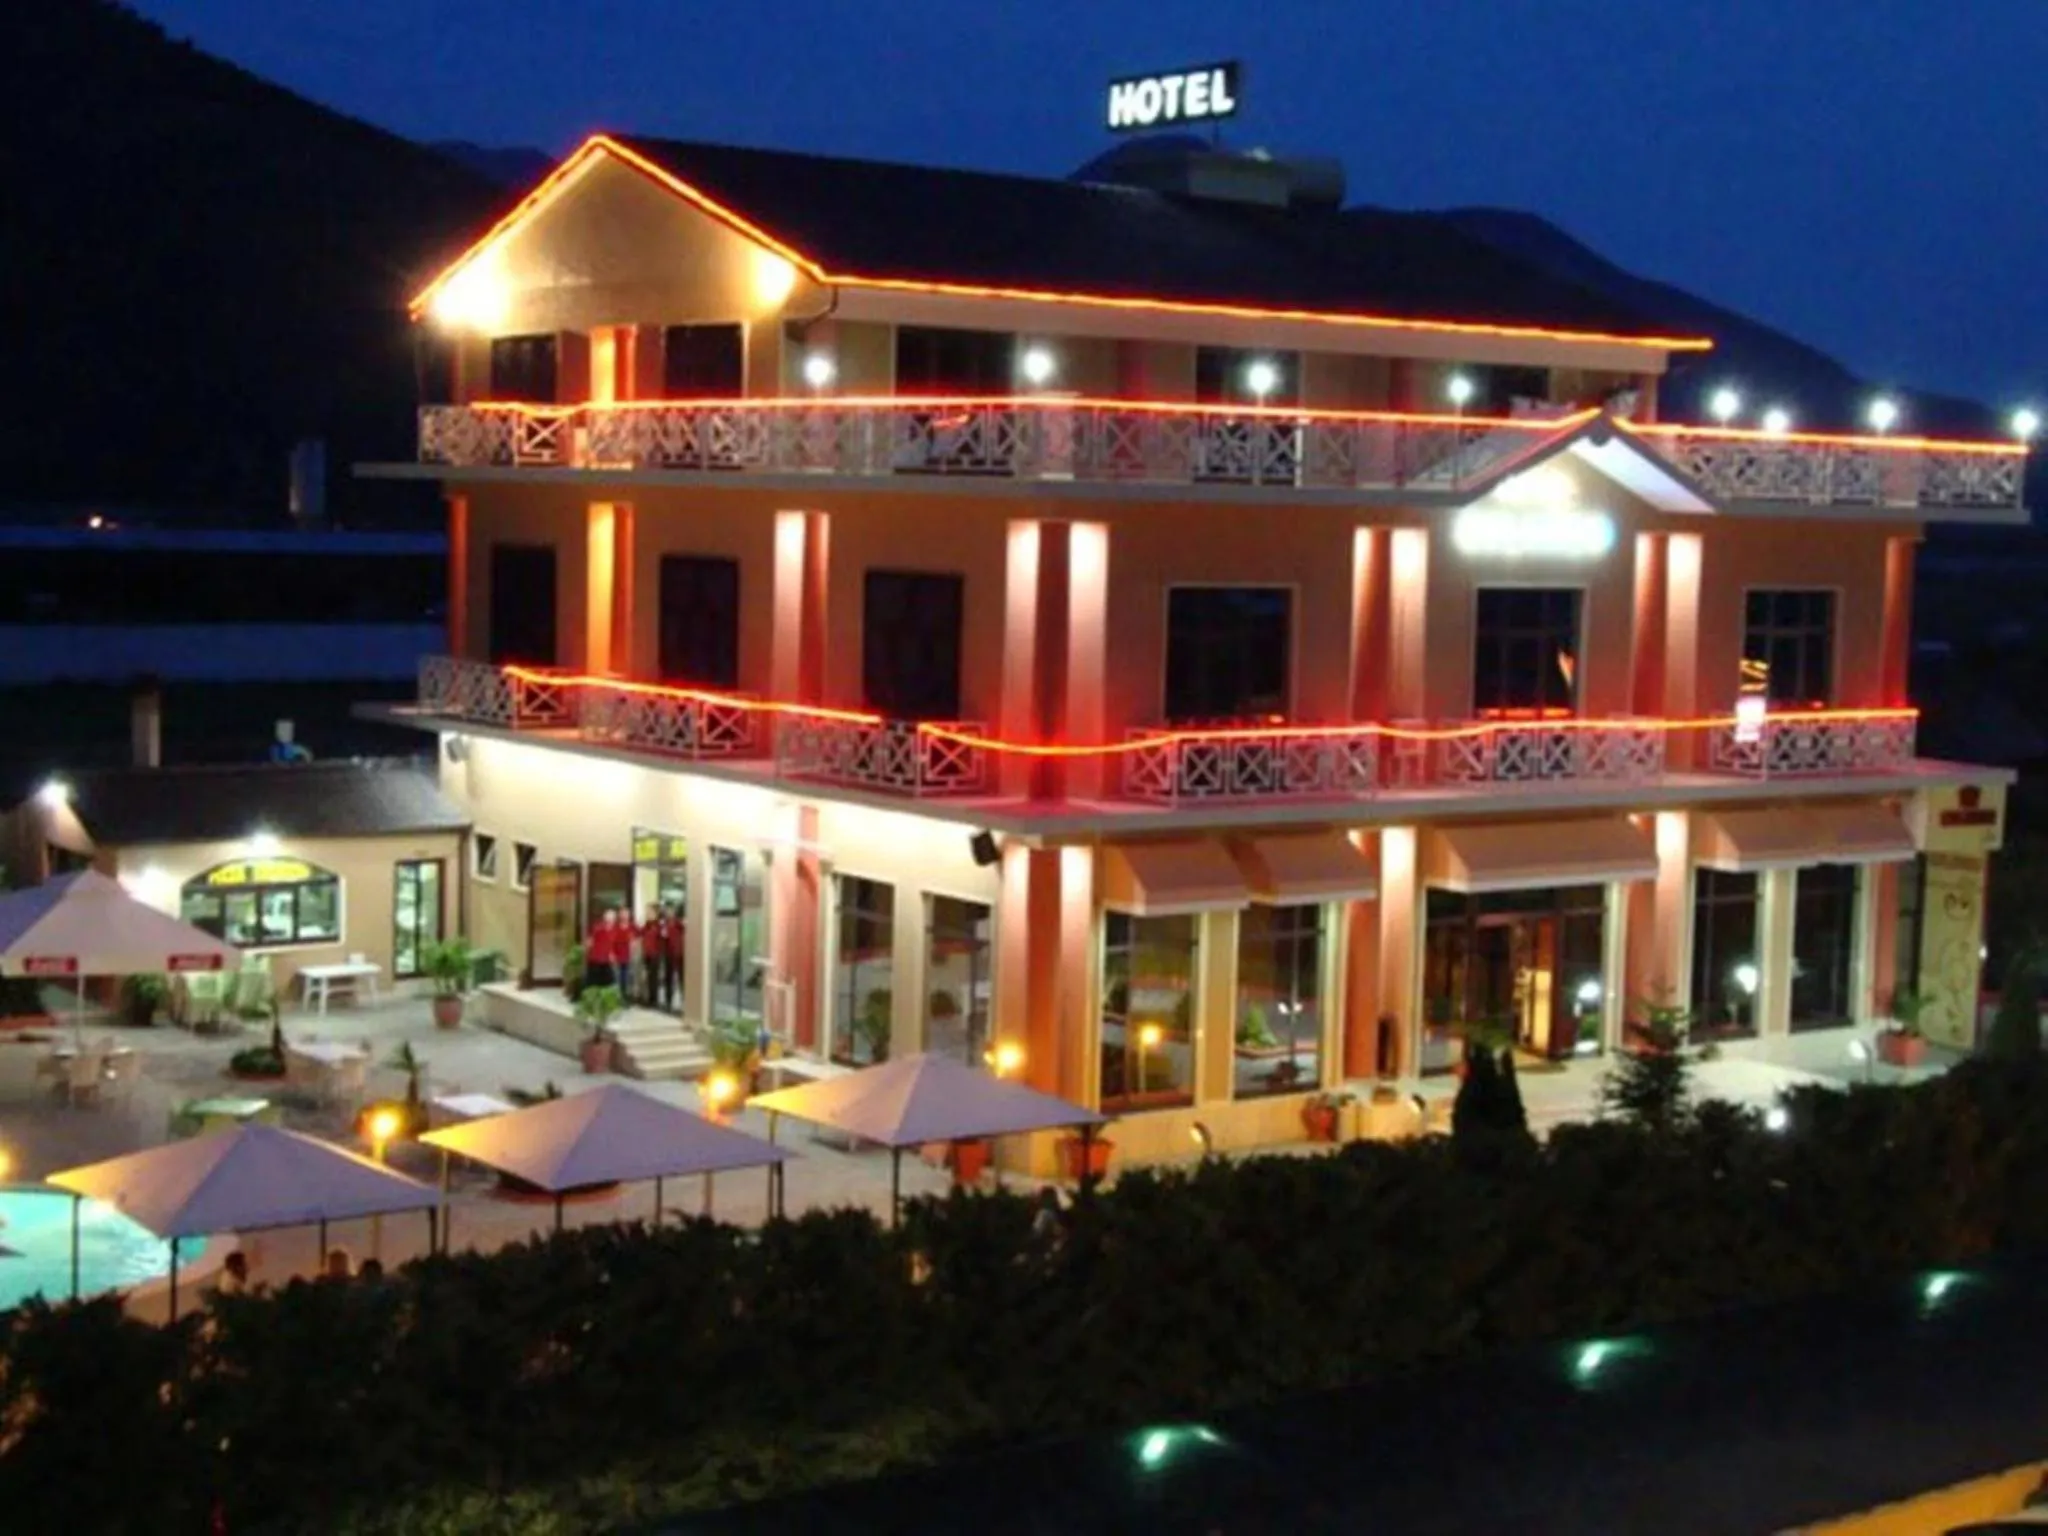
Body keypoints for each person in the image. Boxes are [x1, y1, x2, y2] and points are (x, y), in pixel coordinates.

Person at [663, 902, 685, 1012]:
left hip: (680, 954)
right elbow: (662, 939)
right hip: (668, 955)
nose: (669, 912)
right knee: (669, 979)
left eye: (671, 910)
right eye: (667, 910)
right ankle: (668, 1002)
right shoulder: (664, 924)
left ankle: (684, 1002)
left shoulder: (679, 924)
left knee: (682, 979)